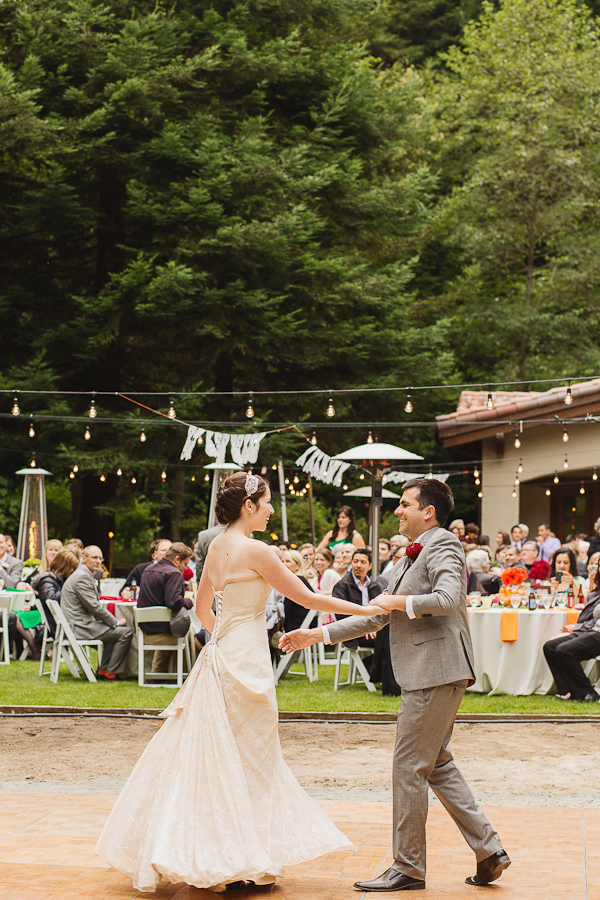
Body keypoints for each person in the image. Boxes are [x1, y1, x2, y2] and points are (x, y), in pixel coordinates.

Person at [95, 471, 383, 891]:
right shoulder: (257, 549)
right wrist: (366, 610)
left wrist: (223, 638)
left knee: (215, 756)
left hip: (222, 654)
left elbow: (204, 608)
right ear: (249, 506)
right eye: (266, 502)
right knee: (252, 759)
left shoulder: (214, 548)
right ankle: (241, 856)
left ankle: (224, 853)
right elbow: (307, 597)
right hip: (247, 660)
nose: (269, 509)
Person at [281, 478, 509, 892]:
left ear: (429, 511)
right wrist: (314, 635)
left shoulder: (441, 543)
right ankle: (489, 851)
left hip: (434, 669)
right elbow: (375, 616)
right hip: (432, 670)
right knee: (436, 763)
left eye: (405, 504)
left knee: (408, 766)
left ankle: (408, 868)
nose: (398, 511)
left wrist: (398, 602)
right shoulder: (408, 554)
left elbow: (447, 599)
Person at [61, 546, 133, 681]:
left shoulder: (83, 574)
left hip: (77, 624)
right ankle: (111, 673)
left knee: (113, 631)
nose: (98, 561)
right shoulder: (82, 576)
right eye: (94, 557)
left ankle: (103, 671)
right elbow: (94, 607)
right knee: (125, 632)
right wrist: (116, 622)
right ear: (83, 558)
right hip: (80, 627)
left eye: (100, 558)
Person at [543, 560, 600, 701]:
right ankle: (567, 691)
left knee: (565, 650)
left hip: (597, 633)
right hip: (592, 630)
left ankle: (588, 692)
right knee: (550, 647)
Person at [136, 542, 194, 674]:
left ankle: (158, 673)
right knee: (188, 634)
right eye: (185, 564)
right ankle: (185, 675)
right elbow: (173, 602)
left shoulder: (148, 569)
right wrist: (189, 602)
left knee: (172, 627)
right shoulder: (174, 573)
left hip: (145, 629)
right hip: (162, 631)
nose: (185, 568)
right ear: (177, 559)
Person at [37, 548, 79, 638]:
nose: (72, 570)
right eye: (71, 567)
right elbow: (49, 598)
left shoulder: (61, 580)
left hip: (62, 623)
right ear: (63, 566)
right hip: (56, 625)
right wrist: (70, 590)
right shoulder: (47, 579)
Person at [282, 549, 314, 632]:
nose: (283, 564)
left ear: (298, 566)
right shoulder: (299, 579)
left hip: (299, 628)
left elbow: (287, 610)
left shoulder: (296, 580)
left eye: (288, 561)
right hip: (303, 626)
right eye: (282, 561)